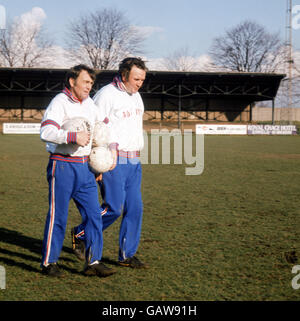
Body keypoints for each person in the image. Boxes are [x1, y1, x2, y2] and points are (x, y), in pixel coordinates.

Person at [40, 64, 116, 277]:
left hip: (85, 168)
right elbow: (46, 131)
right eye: (85, 81)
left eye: (91, 83)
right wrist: (72, 137)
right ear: (72, 82)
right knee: (58, 217)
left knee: (94, 215)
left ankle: (93, 262)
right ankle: (49, 263)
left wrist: (100, 161)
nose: (88, 86)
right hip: (62, 164)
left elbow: (101, 130)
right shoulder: (59, 102)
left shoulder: (91, 105)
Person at [72, 57, 148, 269]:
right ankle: (79, 233)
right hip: (113, 162)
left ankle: (126, 255)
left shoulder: (137, 96)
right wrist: (98, 162)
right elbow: (94, 127)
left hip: (134, 162)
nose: (140, 83)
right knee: (113, 208)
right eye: (136, 78)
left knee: (135, 208)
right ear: (124, 75)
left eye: (142, 79)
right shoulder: (106, 95)